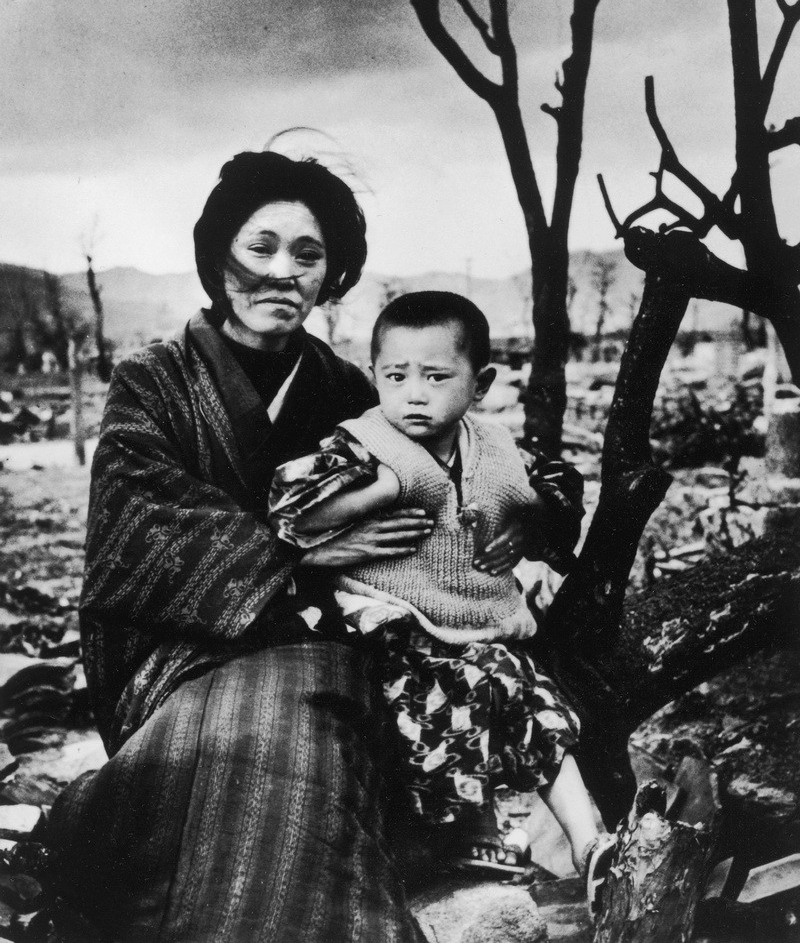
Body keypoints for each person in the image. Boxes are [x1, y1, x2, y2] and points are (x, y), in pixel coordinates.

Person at [45, 150, 453, 942]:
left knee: (297, 714)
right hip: (175, 654)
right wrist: (302, 560)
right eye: (260, 246)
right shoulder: (153, 384)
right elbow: (143, 527)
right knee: (275, 725)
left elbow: (436, 476)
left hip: (325, 644)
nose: (281, 272)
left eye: (309, 255)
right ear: (217, 255)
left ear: (332, 274)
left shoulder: (350, 393)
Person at [269, 292, 616, 909]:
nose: (414, 395)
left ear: (479, 384)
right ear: (374, 376)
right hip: (390, 622)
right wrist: (380, 490)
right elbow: (292, 515)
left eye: (436, 377)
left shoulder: (494, 446)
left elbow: (553, 497)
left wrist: (526, 523)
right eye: (395, 377)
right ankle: (463, 834)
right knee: (472, 690)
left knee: (534, 700)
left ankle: (593, 847)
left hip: (472, 620)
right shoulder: (363, 444)